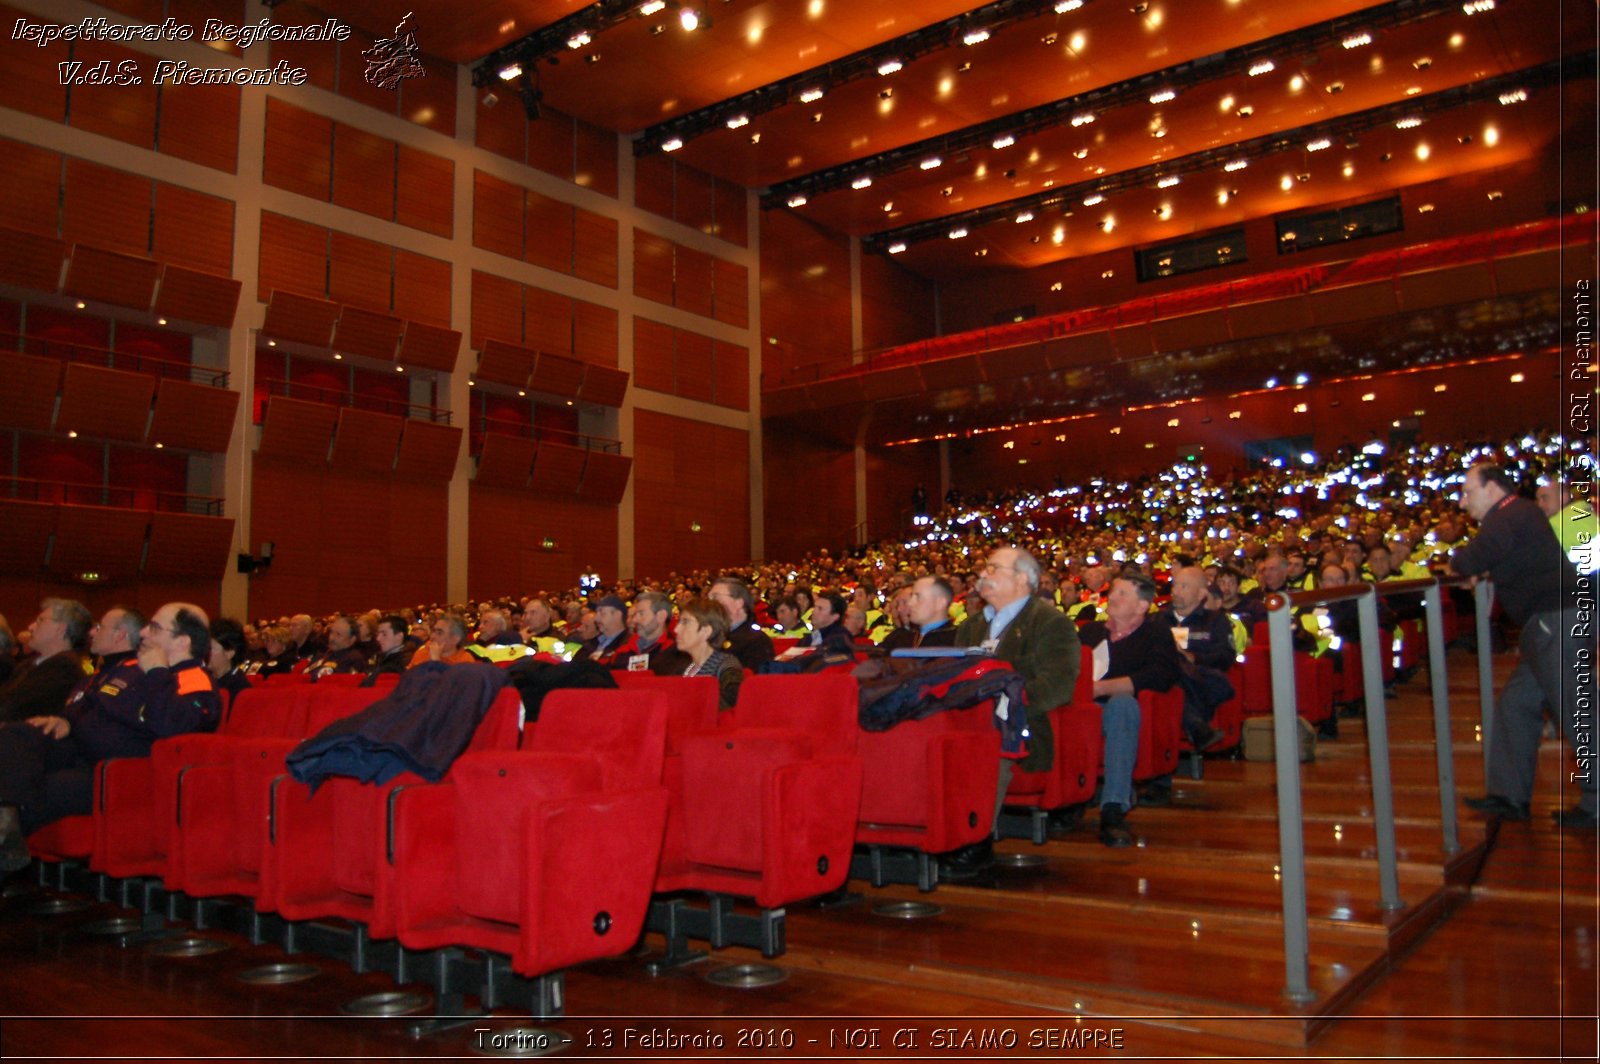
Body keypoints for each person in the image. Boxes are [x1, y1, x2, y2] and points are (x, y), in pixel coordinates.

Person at [0, 601, 222, 871]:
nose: (142, 634)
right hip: (76, 749)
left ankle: (8, 822)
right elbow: (93, 703)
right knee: (17, 735)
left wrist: (157, 672)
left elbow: (170, 726)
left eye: (154, 628)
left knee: (36, 789)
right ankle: (7, 816)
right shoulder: (134, 668)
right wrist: (66, 721)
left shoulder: (192, 679)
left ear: (182, 640)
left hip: (116, 774)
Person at [1454, 464, 1594, 828]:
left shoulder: (1508, 514)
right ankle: (1508, 795)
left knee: (1577, 711)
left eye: (1468, 491)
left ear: (1493, 489)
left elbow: (1470, 558)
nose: (1462, 501)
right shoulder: (1519, 515)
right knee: (1517, 704)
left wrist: (1462, 564)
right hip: (1554, 621)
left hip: (1556, 620)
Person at [948, 547, 1081, 876]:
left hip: (1023, 725)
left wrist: (1002, 704)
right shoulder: (971, 626)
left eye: (994, 568)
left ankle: (974, 840)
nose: (983, 575)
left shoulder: (1050, 623)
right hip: (967, 721)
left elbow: (1057, 686)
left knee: (990, 745)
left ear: (1022, 578)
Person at [1077, 572, 1183, 846]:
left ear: (1142, 606)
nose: (1112, 597)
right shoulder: (1090, 632)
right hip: (1084, 710)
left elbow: (1161, 675)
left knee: (1122, 705)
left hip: (1123, 710)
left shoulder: (1155, 633)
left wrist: (1103, 688)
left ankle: (1113, 808)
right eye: (1113, 591)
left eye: (1122, 593)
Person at [1153, 566, 1234, 752]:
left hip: (1201, 682)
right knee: (1167, 670)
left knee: (1173, 667)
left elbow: (1225, 657)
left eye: (1184, 586)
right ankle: (1196, 726)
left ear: (1201, 593)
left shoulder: (1215, 621)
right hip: (1165, 680)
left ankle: (1196, 726)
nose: (1176, 591)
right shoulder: (1158, 620)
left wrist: (1192, 657)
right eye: (1175, 586)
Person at [0, 599, 91, 725]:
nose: (30, 627)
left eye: (40, 621)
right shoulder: (30, 663)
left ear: (60, 628)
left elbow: (11, 709)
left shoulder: (65, 669)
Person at [673, 599, 744, 710]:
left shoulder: (727, 667)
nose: (676, 629)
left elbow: (730, 709)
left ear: (706, 631)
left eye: (685, 622)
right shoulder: (682, 669)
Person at [708, 577, 775, 671]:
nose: (708, 603)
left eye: (715, 597)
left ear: (738, 603)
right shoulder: (709, 637)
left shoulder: (757, 642)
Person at [882, 575, 958, 651]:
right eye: (912, 597)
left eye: (918, 597)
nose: (910, 603)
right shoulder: (900, 636)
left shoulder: (958, 641)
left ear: (940, 603)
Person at [304, 615, 368, 679]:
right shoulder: (325, 655)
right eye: (331, 632)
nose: (332, 638)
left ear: (352, 639)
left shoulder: (354, 659)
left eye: (338, 634)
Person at [573, 595, 630, 666]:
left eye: (602, 613)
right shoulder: (592, 643)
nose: (596, 618)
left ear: (617, 615)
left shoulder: (628, 647)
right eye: (597, 613)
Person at [207, 617, 253, 704]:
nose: (204, 653)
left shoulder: (239, 690)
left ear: (229, 653)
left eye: (210, 649)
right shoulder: (205, 679)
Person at [407, 613, 477, 668]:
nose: (432, 636)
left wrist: (435, 663)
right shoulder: (422, 653)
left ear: (455, 639)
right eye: (433, 631)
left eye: (439, 633)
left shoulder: (465, 662)